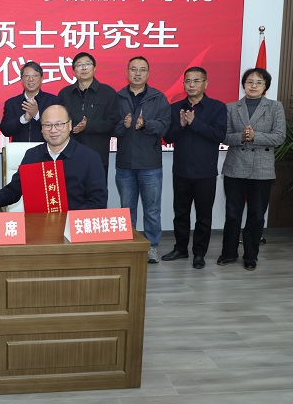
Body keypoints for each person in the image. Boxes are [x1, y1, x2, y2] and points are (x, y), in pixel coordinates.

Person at [0, 105, 107, 212]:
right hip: (38, 227)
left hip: (74, 230)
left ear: (70, 125)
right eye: (47, 125)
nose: (53, 130)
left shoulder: (90, 158)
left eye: (59, 124)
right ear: (41, 128)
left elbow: (98, 202)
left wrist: (68, 220)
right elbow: (13, 191)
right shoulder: (32, 155)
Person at [218, 68, 285, 271]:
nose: (253, 85)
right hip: (235, 167)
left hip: (262, 170)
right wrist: (241, 136)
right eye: (249, 82)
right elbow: (223, 136)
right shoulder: (231, 107)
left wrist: (256, 136)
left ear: (265, 87)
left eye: (259, 82)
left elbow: (279, 136)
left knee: (256, 215)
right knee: (232, 214)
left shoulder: (275, 107)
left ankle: (250, 256)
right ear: (243, 85)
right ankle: (228, 253)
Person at [162, 67, 227, 269]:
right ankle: (180, 248)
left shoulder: (217, 107)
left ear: (206, 84)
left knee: (203, 216)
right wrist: (181, 125)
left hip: (205, 172)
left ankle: (199, 253)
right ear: (183, 85)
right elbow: (168, 137)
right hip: (181, 170)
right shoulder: (175, 108)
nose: (191, 85)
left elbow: (219, 135)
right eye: (188, 81)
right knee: (180, 214)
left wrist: (195, 123)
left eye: (196, 81)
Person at [113, 56, 171, 264]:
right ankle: (129, 246)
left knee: (152, 210)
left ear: (148, 73)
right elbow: (110, 127)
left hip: (150, 164)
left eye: (142, 70)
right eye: (133, 69)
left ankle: (151, 247)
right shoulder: (117, 97)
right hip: (125, 164)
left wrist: (146, 124)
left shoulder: (158, 98)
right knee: (127, 209)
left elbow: (165, 127)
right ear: (127, 72)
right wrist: (124, 125)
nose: (137, 73)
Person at [58, 52, 119, 178]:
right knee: (71, 189)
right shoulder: (65, 94)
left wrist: (89, 125)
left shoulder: (107, 92)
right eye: (79, 65)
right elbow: (58, 121)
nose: (84, 68)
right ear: (73, 71)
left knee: (97, 189)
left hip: (98, 156)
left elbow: (113, 122)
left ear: (94, 68)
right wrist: (73, 127)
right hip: (70, 155)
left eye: (87, 64)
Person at [0, 61, 58, 142]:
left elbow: (57, 128)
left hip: (45, 148)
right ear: (21, 79)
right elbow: (5, 130)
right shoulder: (11, 103)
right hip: (19, 149)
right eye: (27, 76)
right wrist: (24, 119)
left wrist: (36, 115)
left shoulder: (53, 101)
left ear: (42, 79)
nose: (31, 79)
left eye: (35, 75)